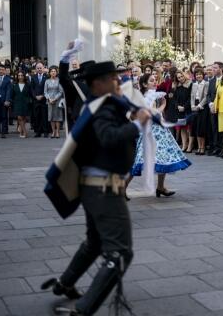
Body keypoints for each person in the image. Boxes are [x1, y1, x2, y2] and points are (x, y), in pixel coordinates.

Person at [42, 61, 152, 316]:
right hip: (104, 189)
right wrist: (137, 123)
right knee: (121, 252)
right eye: (113, 78)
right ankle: (83, 310)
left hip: (94, 188)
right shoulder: (101, 108)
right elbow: (108, 137)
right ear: (97, 84)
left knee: (94, 242)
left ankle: (65, 283)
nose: (118, 82)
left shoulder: (99, 105)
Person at [128, 73, 191, 197]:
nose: (155, 82)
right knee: (141, 159)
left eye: (155, 80)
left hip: (159, 130)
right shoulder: (147, 96)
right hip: (152, 131)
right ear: (145, 84)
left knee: (164, 158)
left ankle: (161, 187)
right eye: (151, 81)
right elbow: (150, 113)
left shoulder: (152, 94)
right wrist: (163, 106)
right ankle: (123, 187)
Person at [190, 68, 209, 155]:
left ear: (203, 75)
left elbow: (206, 96)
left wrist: (199, 105)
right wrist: (192, 105)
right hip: (195, 106)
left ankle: (202, 147)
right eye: (197, 74)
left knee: (201, 127)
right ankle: (198, 147)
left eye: (200, 74)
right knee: (196, 127)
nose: (198, 76)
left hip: (202, 107)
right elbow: (192, 96)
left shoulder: (206, 83)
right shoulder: (193, 84)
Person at [207, 61, 223, 156]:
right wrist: (210, 104)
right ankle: (216, 147)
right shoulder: (212, 81)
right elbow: (208, 94)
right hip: (212, 108)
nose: (213, 70)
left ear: (221, 69)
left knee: (221, 129)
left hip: (221, 108)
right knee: (214, 128)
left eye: (215, 68)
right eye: (213, 68)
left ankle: (222, 147)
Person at [173, 70, 192, 151]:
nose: (180, 78)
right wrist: (177, 106)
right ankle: (184, 145)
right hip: (179, 110)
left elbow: (191, 97)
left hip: (188, 109)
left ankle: (190, 145)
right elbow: (174, 98)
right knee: (182, 128)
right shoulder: (177, 86)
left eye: (181, 76)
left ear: (184, 76)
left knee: (190, 128)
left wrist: (184, 107)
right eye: (178, 77)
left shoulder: (190, 84)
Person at [44, 66, 64, 138]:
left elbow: (60, 91)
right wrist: (49, 99)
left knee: (57, 117)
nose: (53, 72)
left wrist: (54, 99)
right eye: (52, 71)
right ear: (49, 73)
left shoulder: (59, 80)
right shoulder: (47, 81)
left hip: (57, 101)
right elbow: (45, 92)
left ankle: (58, 132)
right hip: (49, 101)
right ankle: (53, 132)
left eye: (54, 71)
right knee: (51, 117)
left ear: (56, 72)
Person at [30, 62, 49, 137]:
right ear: (36, 69)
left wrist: (43, 96)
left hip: (44, 100)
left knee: (44, 116)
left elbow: (48, 88)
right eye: (38, 68)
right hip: (36, 100)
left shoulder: (47, 77)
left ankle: (45, 132)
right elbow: (32, 89)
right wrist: (35, 96)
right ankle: (38, 132)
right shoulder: (33, 77)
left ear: (43, 68)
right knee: (37, 116)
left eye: (41, 68)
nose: (39, 69)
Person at [12, 71, 31, 138]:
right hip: (17, 103)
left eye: (21, 75)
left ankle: (22, 131)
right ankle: (25, 132)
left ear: (24, 76)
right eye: (19, 75)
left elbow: (30, 94)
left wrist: (29, 101)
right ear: (17, 77)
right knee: (19, 117)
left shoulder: (28, 84)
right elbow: (12, 94)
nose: (20, 77)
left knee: (24, 117)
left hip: (25, 103)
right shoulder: (14, 84)